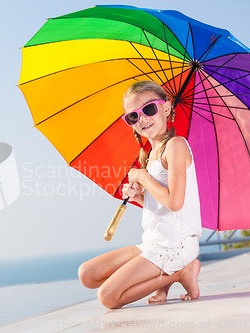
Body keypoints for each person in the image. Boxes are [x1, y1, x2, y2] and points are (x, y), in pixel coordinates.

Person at [78, 80, 203, 309]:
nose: (142, 119)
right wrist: (139, 197)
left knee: (108, 297)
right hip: (154, 242)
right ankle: (160, 278)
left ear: (166, 108)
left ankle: (180, 272)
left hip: (176, 243)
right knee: (87, 274)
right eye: (133, 116)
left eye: (148, 109)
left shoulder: (175, 145)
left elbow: (175, 202)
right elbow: (163, 205)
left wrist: (144, 178)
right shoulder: (149, 154)